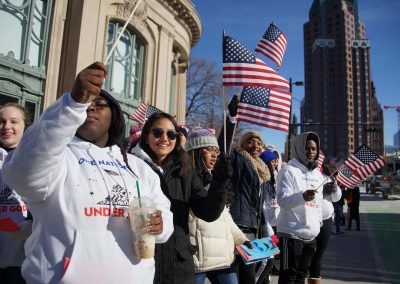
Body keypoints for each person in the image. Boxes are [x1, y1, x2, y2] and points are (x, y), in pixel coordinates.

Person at [3, 62, 174, 283]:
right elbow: (22, 175)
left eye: (99, 104)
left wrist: (160, 226)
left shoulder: (138, 167)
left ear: (115, 117)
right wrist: (72, 103)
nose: (90, 108)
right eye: (86, 104)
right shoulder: (54, 158)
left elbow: (164, 216)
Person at [130, 113, 232, 284]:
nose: (165, 138)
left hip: (178, 267)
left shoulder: (186, 172)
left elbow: (208, 212)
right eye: (157, 132)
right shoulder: (130, 166)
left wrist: (220, 180)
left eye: (171, 134)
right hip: (140, 261)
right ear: (146, 136)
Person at [218, 95, 272, 284]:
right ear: (243, 144)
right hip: (239, 225)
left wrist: (265, 229)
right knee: (243, 275)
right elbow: (222, 147)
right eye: (250, 141)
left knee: (258, 272)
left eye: (259, 143)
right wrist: (231, 119)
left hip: (256, 228)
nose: (255, 146)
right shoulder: (237, 158)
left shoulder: (263, 170)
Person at [186, 128, 251, 284]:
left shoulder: (218, 180)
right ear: (194, 151)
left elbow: (226, 219)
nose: (215, 154)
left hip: (223, 259)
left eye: (216, 150)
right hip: (197, 260)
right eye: (209, 149)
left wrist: (243, 240)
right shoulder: (186, 179)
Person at [276, 132, 325, 284]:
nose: (310, 152)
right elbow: (282, 201)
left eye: (314, 149)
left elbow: (319, 205)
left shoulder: (318, 174)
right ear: (298, 148)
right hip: (291, 235)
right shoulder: (288, 170)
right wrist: (302, 197)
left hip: (311, 236)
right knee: (288, 278)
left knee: (301, 277)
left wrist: (318, 224)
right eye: (306, 148)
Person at [0, 103, 31, 284]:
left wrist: (33, 222)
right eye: (2, 121)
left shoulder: (34, 158)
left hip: (21, 260)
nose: (6, 127)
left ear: (24, 126)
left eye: (14, 121)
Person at [308, 164, 341, 284]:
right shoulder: (306, 175)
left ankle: (314, 278)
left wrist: (335, 188)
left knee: (319, 254)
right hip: (309, 219)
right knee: (307, 253)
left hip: (326, 220)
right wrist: (321, 193)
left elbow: (336, 198)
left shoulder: (328, 177)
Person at [256, 150, 281, 284]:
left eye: (275, 161)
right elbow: (262, 206)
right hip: (264, 227)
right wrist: (268, 230)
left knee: (270, 263)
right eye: (271, 161)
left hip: (276, 225)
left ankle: (266, 279)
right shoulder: (262, 180)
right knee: (266, 261)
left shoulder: (276, 178)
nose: (274, 164)